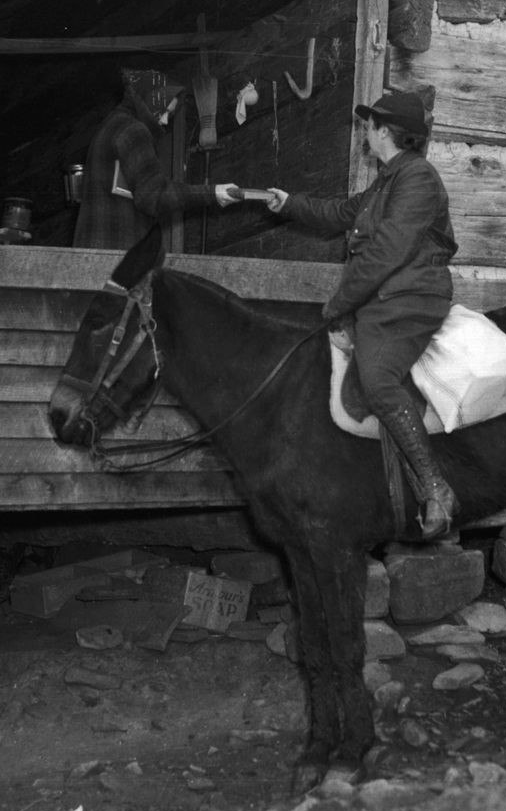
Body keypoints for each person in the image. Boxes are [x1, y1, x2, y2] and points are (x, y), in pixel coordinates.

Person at [265, 90, 458, 540]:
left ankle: (435, 486)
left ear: (385, 131)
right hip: (385, 298)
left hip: (411, 299)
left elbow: (386, 253)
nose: (364, 133)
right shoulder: (385, 182)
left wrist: (337, 305)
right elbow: (340, 212)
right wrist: (289, 202)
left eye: (369, 125)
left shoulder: (419, 179)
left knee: (376, 378)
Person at [73, 67, 237, 249]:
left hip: (92, 251)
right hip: (115, 252)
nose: (166, 121)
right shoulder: (133, 130)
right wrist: (212, 193)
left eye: (170, 114)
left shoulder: (112, 125)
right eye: (164, 111)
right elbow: (153, 195)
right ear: (150, 101)